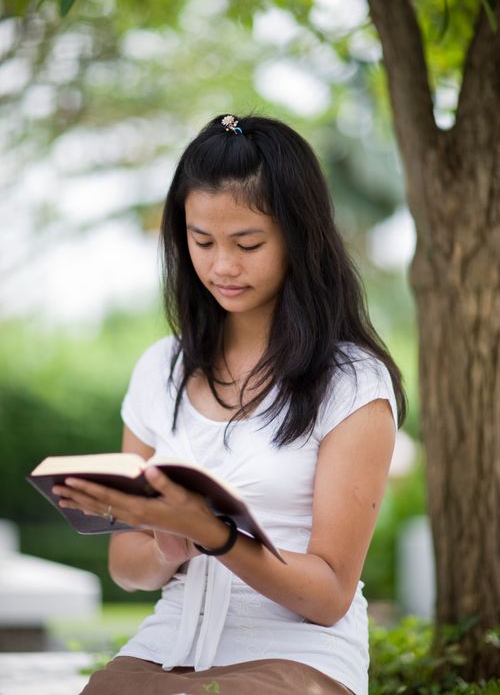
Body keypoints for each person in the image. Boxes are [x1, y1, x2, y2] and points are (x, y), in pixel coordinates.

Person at [53, 114, 406, 695]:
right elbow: (126, 565)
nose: (222, 266)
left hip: (297, 660)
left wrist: (214, 535)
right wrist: (171, 541)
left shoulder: (351, 384)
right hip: (165, 652)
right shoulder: (159, 369)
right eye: (201, 241)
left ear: (300, 236)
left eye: (248, 243)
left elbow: (329, 595)